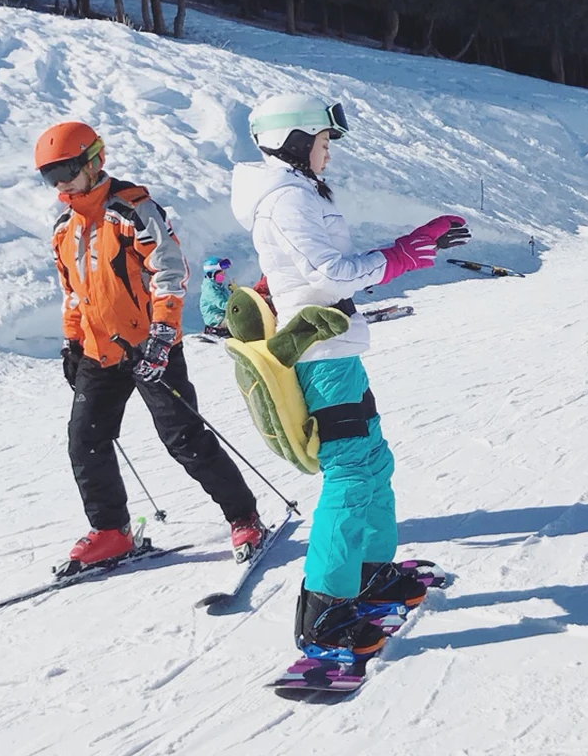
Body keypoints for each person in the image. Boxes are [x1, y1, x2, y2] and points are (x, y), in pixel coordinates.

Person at [231, 93, 470, 660]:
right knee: (349, 473)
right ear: (293, 141)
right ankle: (325, 610)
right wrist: (402, 254)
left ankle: (370, 573)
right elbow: (324, 271)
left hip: (336, 347)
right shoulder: (284, 201)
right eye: (320, 143)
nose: (327, 155)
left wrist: (407, 248)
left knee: (374, 462)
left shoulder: (299, 193)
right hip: (320, 355)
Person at [35, 121, 265, 565]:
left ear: (93, 160)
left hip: (148, 346)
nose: (61, 182)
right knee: (85, 441)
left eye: (67, 169)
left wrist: (162, 334)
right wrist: (71, 342)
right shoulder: (65, 227)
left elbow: (170, 272)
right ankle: (110, 530)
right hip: (98, 353)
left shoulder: (132, 210)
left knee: (184, 439)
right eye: (51, 175)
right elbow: (73, 291)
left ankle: (244, 517)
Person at [200, 256, 233, 337]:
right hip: (215, 319)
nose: (223, 276)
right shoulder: (210, 289)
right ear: (212, 273)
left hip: (223, 315)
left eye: (224, 273)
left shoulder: (219, 286)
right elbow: (222, 304)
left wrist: (235, 292)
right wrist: (236, 306)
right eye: (221, 273)